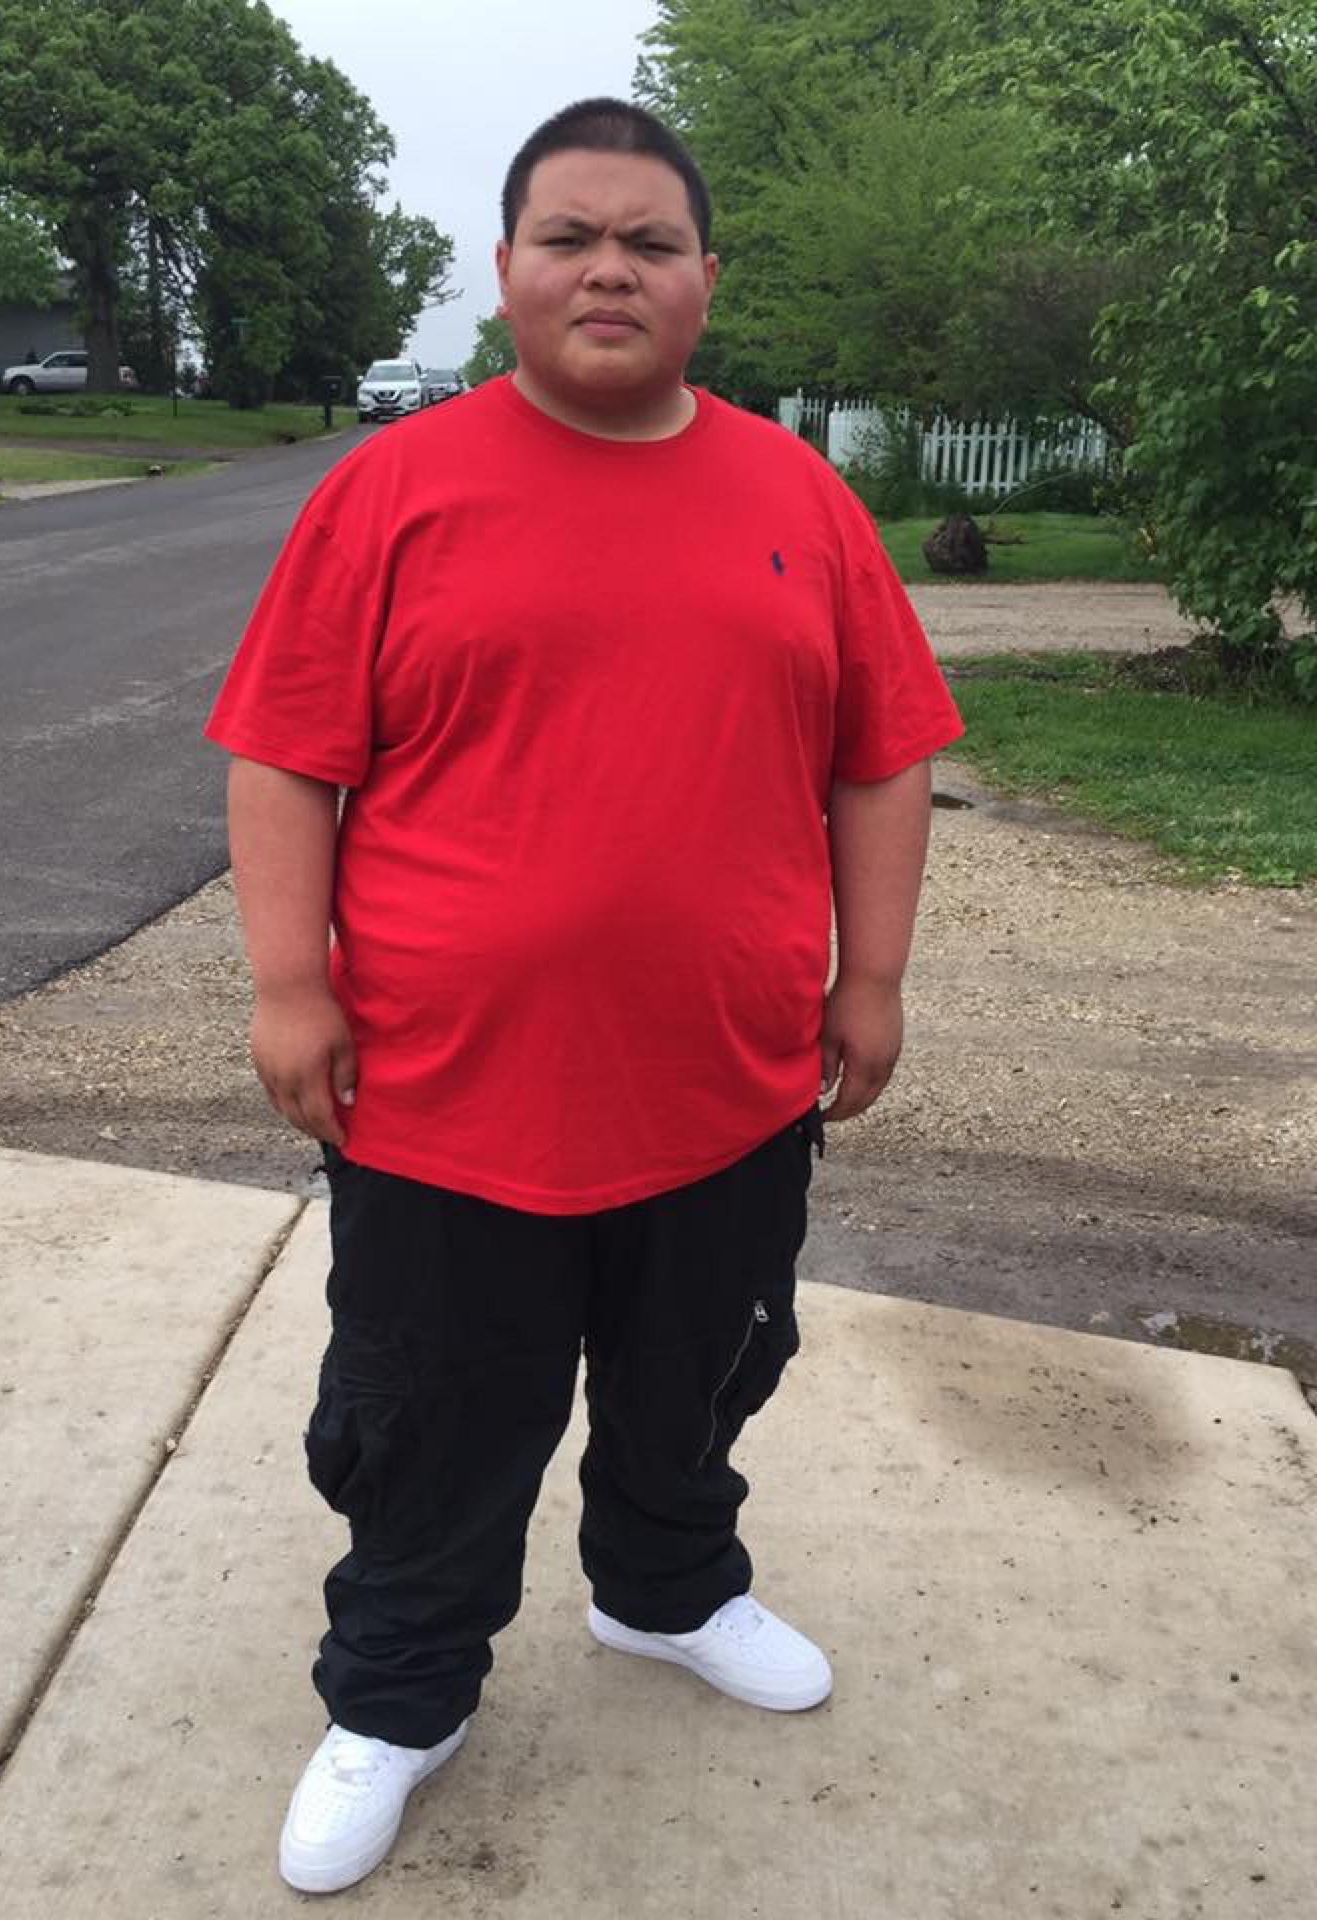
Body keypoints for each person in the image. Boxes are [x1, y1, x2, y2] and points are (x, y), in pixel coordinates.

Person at [206, 97, 963, 1896]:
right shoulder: (393, 489)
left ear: (706, 278)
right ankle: (401, 1695)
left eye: (649, 241)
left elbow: (882, 758)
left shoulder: (799, 498)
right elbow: (285, 756)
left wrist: (875, 976)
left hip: (727, 1089)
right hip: (446, 1100)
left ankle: (667, 1592)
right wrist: (288, 986)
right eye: (571, 237)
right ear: (508, 271)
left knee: (696, 1383)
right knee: (431, 1421)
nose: (609, 268)